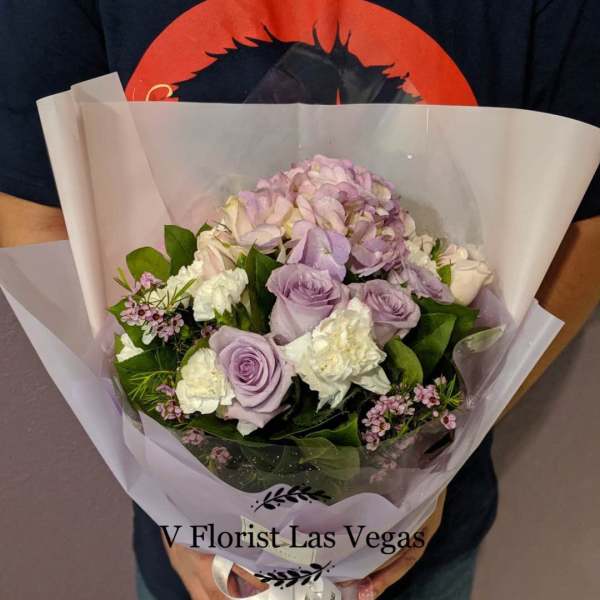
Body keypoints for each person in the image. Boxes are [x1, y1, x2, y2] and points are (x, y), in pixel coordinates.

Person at [1, 2, 599, 598]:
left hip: (420, 536)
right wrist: (175, 486)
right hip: (194, 543)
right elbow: (36, 206)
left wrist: (437, 454)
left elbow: (585, 227)